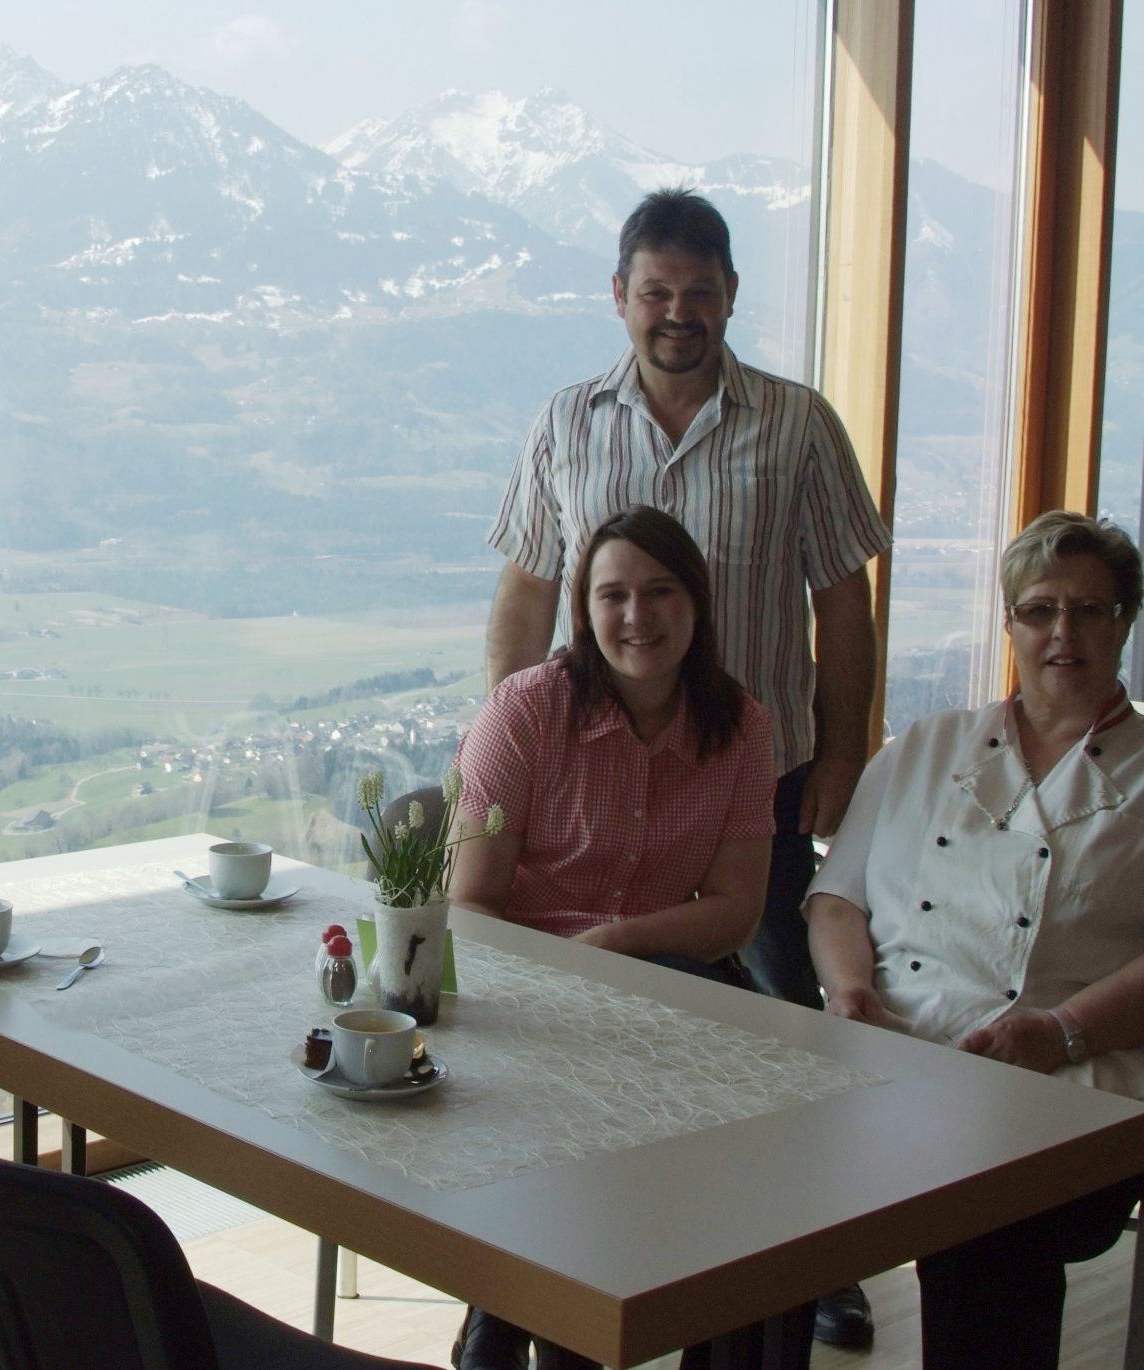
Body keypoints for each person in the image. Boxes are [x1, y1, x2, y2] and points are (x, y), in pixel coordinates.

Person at [484, 187, 890, 1348]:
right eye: (654, 292)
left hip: (748, 778)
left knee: (779, 1019)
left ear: (728, 299)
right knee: (578, 1012)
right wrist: (498, 756)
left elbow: (840, 604)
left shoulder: (797, 421)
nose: (676, 313)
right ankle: (584, 1229)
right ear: (618, 298)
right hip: (586, 778)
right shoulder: (565, 419)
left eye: (697, 293)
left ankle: (814, 1255)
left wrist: (845, 754)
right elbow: (523, 587)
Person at [447, 508, 809, 1370]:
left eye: (660, 592)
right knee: (586, 1176)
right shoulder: (528, 710)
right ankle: (531, 1311)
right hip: (526, 999)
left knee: (775, 1177)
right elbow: (471, 903)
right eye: (613, 595)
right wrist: (573, 974)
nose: (637, 617)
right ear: (584, 608)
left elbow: (735, 909)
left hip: (664, 987)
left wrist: (614, 946)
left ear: (697, 604)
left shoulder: (743, 727)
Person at [804, 510, 1144, 1370]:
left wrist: (1058, 1032)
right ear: (1010, 624)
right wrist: (850, 993)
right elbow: (837, 900)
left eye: (1089, 610)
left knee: (988, 1218)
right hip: (895, 1054)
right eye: (1039, 610)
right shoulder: (927, 747)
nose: (1062, 632)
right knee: (747, 1194)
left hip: (1071, 1078)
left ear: (1125, 624)